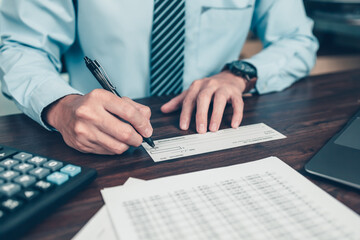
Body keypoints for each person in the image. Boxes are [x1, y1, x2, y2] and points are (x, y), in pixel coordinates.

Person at [0, 0, 318, 155]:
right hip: (97, 141)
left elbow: (298, 40)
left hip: (209, 136)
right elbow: (19, 45)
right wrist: (61, 106)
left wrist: (238, 75)